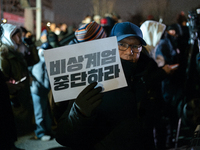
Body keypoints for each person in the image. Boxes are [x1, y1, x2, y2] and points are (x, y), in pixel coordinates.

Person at [55, 22, 176, 149]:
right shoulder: (92, 78)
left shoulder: (146, 75)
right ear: (110, 46)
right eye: (122, 45)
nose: (129, 51)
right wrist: (79, 113)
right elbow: (63, 136)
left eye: (135, 46)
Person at [0, 23, 35, 135]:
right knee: (15, 128)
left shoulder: (19, 50)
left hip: (23, 92)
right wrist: (12, 96)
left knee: (23, 127)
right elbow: (3, 79)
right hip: (14, 96)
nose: (19, 38)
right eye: (14, 35)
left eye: (19, 34)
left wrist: (31, 46)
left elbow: (33, 61)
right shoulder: (4, 54)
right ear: (7, 36)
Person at [30, 43, 53, 141]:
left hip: (43, 92)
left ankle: (47, 130)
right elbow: (43, 81)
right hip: (38, 92)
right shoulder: (39, 65)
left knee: (46, 112)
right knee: (39, 113)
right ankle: (40, 133)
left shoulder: (46, 64)